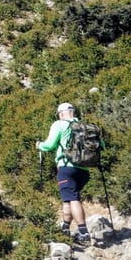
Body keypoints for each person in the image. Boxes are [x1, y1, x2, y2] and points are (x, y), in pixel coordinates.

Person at [37, 102, 92, 244]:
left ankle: (84, 233)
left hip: (66, 168)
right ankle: (65, 228)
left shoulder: (59, 124)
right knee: (67, 198)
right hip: (84, 170)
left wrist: (39, 145)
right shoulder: (85, 126)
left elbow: (49, 145)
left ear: (61, 114)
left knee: (73, 199)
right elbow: (101, 145)